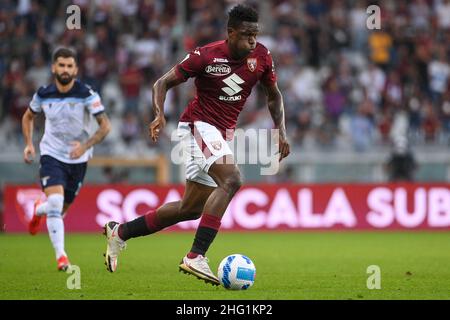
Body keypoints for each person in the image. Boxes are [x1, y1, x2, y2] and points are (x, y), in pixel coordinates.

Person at [103, 4, 290, 285]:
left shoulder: (262, 56)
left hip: (221, 134)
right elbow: (161, 83)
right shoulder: (206, 55)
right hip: (197, 127)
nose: (253, 40)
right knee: (233, 179)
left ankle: (120, 232)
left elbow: (273, 95)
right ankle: (196, 256)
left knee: (189, 209)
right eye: (246, 34)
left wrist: (281, 131)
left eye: (255, 34)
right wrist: (158, 114)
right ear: (230, 33)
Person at [22, 47, 111, 271]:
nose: (65, 69)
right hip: (52, 154)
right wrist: (29, 144)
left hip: (78, 158)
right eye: (61, 65)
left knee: (59, 210)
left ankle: (38, 210)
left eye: (69, 66)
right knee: (55, 203)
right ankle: (61, 256)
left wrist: (85, 146)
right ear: (53, 68)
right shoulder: (43, 93)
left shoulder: (86, 94)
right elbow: (28, 116)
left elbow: (105, 126)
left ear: (76, 69)